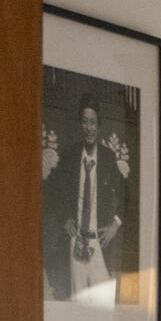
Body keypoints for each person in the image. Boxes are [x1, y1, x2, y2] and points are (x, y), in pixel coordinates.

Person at [43, 98, 129, 303]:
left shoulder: (108, 158)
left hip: (99, 243)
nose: (89, 128)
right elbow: (52, 190)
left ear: (98, 125)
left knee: (103, 305)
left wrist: (115, 225)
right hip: (76, 244)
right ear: (80, 124)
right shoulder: (71, 155)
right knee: (79, 305)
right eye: (84, 122)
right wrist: (65, 219)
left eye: (93, 122)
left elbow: (127, 195)